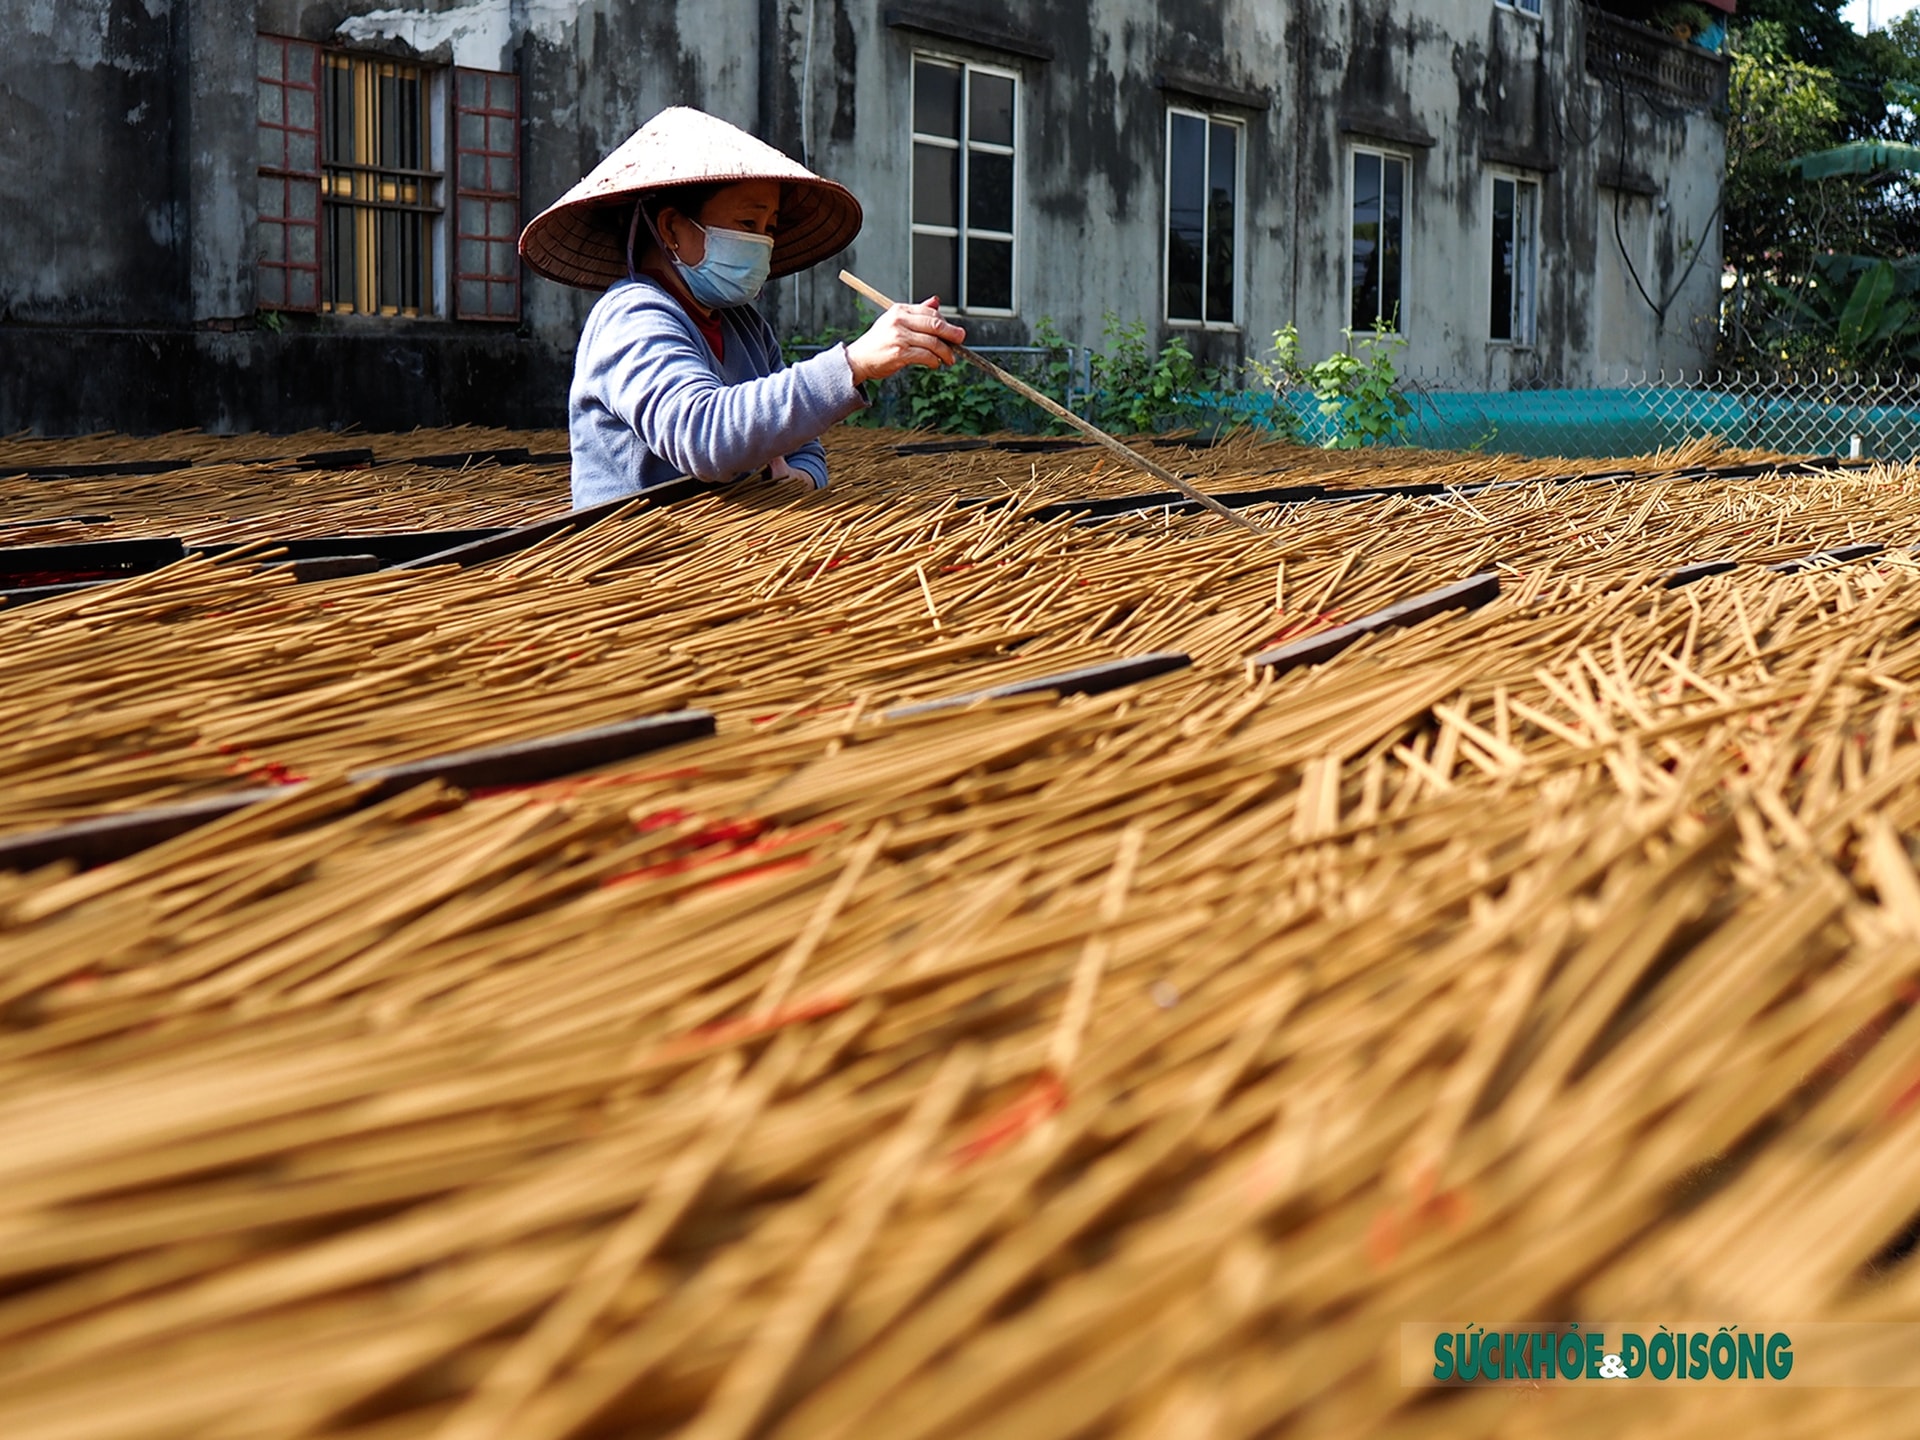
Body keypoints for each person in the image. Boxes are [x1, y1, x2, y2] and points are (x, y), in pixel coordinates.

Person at [519, 107, 967, 507]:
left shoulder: (746, 329)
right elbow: (702, 435)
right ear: (673, 228)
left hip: (728, 557)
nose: (763, 242)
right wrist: (853, 364)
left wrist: (801, 481)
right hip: (637, 568)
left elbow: (804, 449)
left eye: (769, 227)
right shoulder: (632, 316)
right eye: (747, 223)